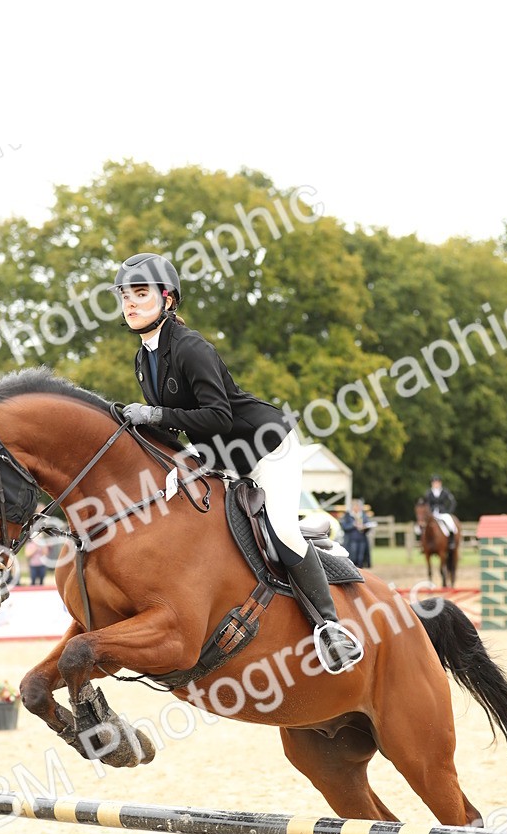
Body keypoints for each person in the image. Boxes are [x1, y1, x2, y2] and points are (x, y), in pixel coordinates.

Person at [113, 251, 363, 676]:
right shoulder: (144, 358)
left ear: (168, 300)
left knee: (281, 533)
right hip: (222, 458)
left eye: (141, 294)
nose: (131, 303)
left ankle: (330, 628)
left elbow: (218, 415)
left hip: (266, 447)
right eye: (125, 296)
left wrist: (154, 415)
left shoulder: (191, 348)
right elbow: (173, 431)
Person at [423, 474, 459, 549]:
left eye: (437, 482)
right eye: (434, 482)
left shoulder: (445, 491)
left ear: (440, 483)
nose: (435, 484)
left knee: (451, 524)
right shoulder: (428, 493)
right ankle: (423, 544)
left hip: (443, 513)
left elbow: (452, 502)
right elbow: (425, 504)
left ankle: (451, 541)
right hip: (432, 513)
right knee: (422, 526)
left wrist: (449, 511)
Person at [340, 498, 374, 568]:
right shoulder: (347, 516)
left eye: (358, 506)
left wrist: (364, 527)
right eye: (356, 506)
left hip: (362, 539)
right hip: (351, 540)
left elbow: (368, 525)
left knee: (361, 557)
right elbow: (344, 527)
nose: (357, 508)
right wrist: (353, 525)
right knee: (353, 557)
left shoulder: (363, 515)